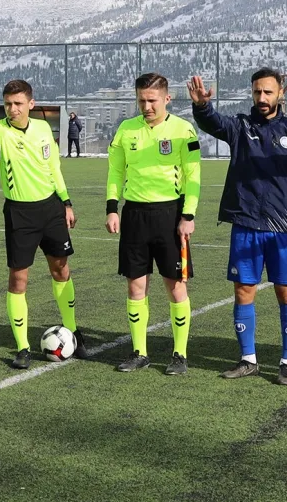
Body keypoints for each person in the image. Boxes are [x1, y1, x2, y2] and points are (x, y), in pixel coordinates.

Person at [188, 68, 287, 384]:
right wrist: (202, 107)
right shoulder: (240, 127)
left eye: (268, 92)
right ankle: (248, 359)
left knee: (286, 293)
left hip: (284, 230)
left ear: (280, 94)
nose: (262, 98)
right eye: (257, 92)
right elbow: (212, 123)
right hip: (246, 225)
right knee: (244, 290)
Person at [0, 72, 86, 369]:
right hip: (19, 213)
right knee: (18, 278)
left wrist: (66, 201)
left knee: (61, 269)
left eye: (18, 103)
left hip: (51, 209)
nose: (12, 109)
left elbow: (54, 168)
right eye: (8, 104)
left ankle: (74, 332)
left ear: (31, 104)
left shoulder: (41, 129)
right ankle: (23, 347)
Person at [107, 73, 201, 375]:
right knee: (135, 286)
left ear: (167, 98)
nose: (146, 106)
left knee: (175, 287)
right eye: (142, 100)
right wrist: (112, 208)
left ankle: (179, 354)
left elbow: (193, 177)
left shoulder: (183, 130)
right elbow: (115, 172)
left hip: (170, 216)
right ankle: (139, 352)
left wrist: (188, 215)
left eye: (152, 100)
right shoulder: (125, 130)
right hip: (134, 216)